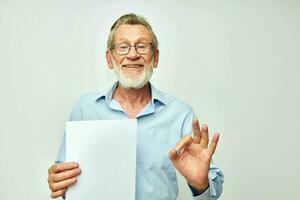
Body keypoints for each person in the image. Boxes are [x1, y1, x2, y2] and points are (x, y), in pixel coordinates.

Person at [47, 13, 224, 200]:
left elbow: (211, 188)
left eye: (142, 46)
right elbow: (64, 180)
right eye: (123, 47)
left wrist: (200, 184)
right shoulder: (84, 109)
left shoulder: (180, 114)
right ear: (110, 59)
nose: (132, 54)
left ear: (155, 58)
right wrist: (59, 181)